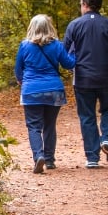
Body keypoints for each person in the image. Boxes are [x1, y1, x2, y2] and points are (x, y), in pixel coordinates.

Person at [63, 0, 108, 169]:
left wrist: (73, 69)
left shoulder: (74, 26)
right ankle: (107, 138)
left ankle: (92, 157)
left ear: (84, 4)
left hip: (83, 78)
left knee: (87, 115)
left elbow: (66, 54)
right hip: (107, 76)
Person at [15, 14, 76, 173]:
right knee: (49, 125)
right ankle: (49, 160)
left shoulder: (24, 46)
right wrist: (75, 52)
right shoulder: (57, 45)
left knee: (34, 126)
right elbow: (69, 64)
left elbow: (18, 70)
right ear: (49, 27)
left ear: (32, 27)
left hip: (31, 91)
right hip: (53, 90)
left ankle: (38, 156)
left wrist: (22, 81)